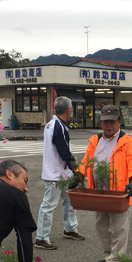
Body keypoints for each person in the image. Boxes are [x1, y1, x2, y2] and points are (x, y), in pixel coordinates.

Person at [72, 104, 132, 262]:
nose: (108, 125)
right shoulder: (95, 140)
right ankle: (109, 254)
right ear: (100, 123)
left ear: (119, 122)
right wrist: (78, 176)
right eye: (105, 122)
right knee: (101, 226)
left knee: (119, 229)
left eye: (112, 121)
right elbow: (86, 160)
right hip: (99, 193)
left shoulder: (127, 142)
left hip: (119, 195)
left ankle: (115, 261)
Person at [35, 96, 84, 250]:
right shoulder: (58, 126)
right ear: (69, 111)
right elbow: (64, 151)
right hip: (56, 174)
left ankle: (70, 229)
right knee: (49, 205)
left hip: (61, 172)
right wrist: (76, 168)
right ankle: (41, 238)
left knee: (69, 201)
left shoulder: (53, 124)